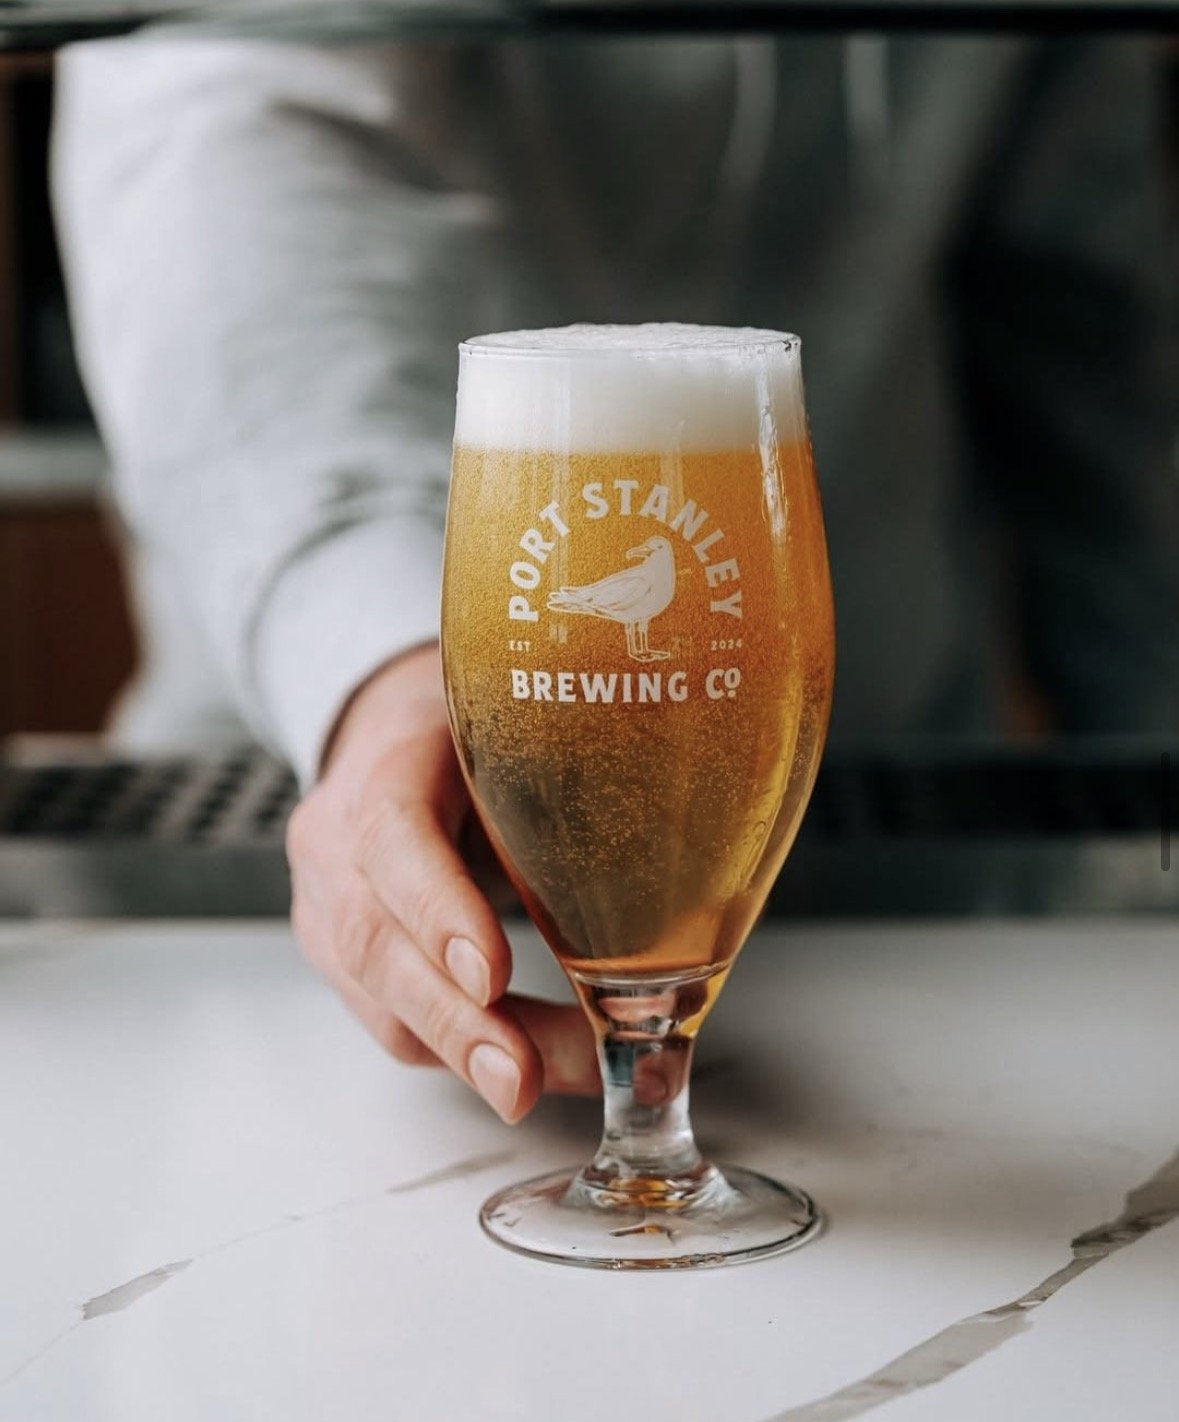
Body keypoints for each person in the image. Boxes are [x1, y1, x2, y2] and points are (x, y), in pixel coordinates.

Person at [51, 32, 1176, 1122]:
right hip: (311, 855)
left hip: (889, 831)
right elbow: (227, 147)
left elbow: (1099, 313)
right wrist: (387, 660)